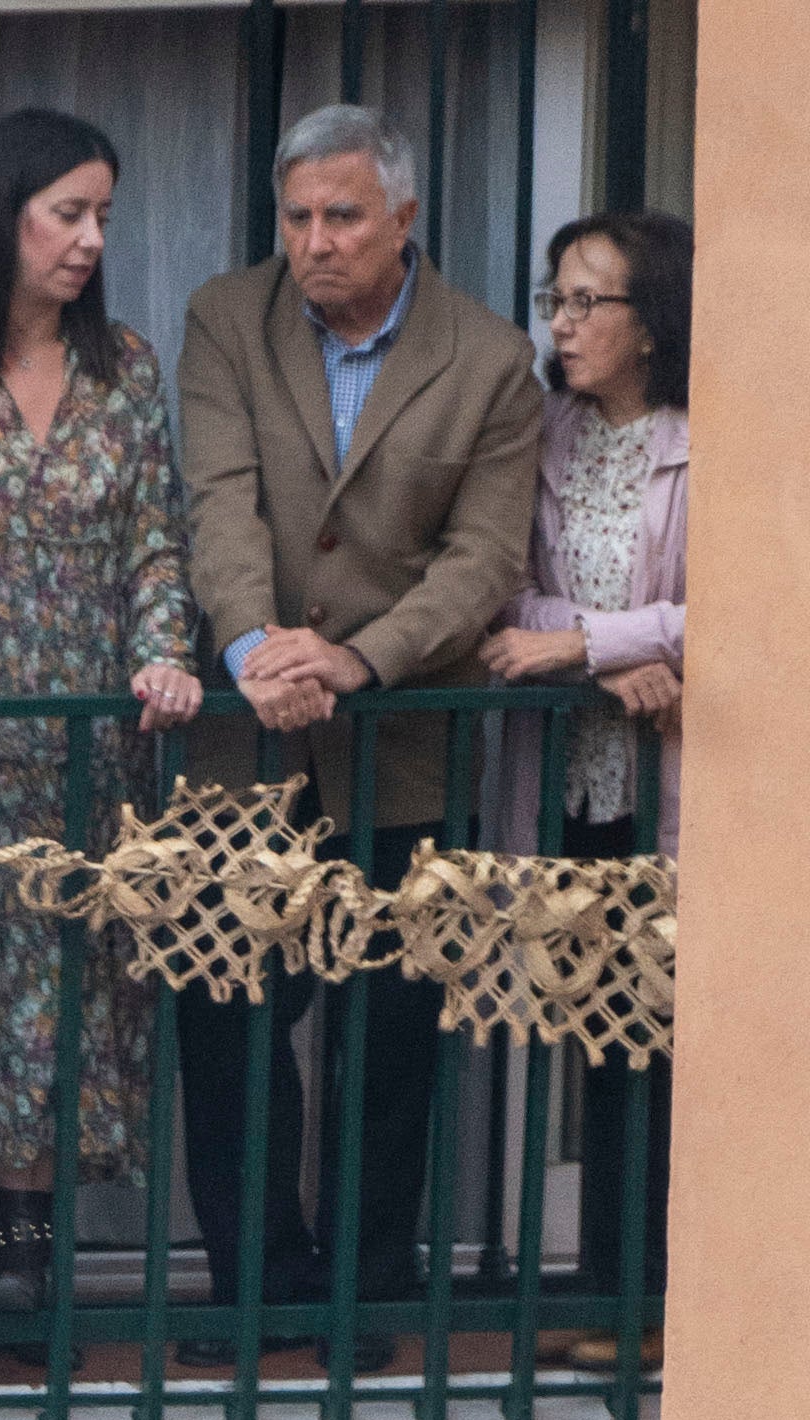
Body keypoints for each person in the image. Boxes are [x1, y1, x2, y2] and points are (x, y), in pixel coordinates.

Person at [173, 113, 545, 1324]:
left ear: (401, 219)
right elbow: (216, 502)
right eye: (295, 218)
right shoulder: (226, 318)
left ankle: (365, 1295)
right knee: (225, 1018)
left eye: (340, 217)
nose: (313, 242)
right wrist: (248, 650)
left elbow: (480, 559)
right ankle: (253, 1291)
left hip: (398, 743)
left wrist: (351, 659)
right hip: (244, 740)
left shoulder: (486, 360)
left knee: (385, 1039)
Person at [0, 113, 204, 1318]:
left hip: (91, 744)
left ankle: (33, 1235)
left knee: (71, 994)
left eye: (102, 216)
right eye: (64, 212)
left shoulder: (122, 365)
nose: (87, 238)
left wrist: (163, 658)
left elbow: (154, 542)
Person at [487, 206, 684, 1316]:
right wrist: (600, 657)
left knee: (656, 1047)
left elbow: (740, 606)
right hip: (569, 779)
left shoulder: (709, 437)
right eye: (552, 300)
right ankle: (599, 1289)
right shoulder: (539, 433)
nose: (560, 324)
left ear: (646, 322)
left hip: (670, 790)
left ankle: (646, 1298)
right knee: (590, 1038)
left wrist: (593, 642)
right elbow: (498, 596)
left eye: (584, 301)